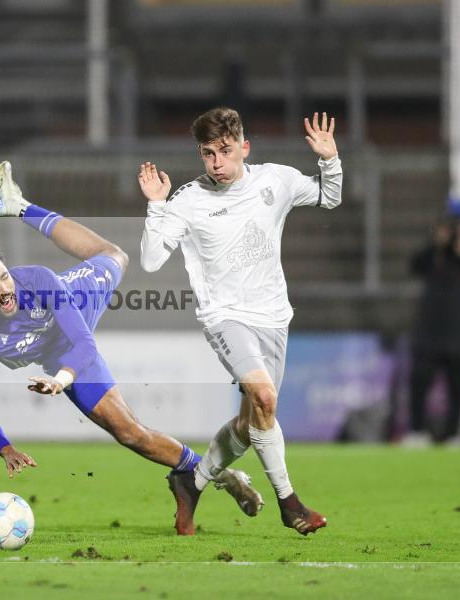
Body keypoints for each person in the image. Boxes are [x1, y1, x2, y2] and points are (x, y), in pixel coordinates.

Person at [0, 161, 263, 535]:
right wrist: (6, 449)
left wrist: (62, 379)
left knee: (115, 253)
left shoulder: (37, 280)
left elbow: (83, 341)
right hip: (55, 354)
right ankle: (219, 475)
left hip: (75, 309)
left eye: (4, 276)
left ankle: (19, 206)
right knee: (130, 433)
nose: (5, 288)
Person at [138, 107, 342, 536]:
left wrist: (329, 159)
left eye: (225, 151)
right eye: (208, 153)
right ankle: (290, 504)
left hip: (274, 317)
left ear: (244, 148)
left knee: (251, 425)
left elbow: (329, 197)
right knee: (265, 398)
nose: (216, 163)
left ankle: (190, 482)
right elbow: (151, 261)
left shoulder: (276, 181)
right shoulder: (189, 200)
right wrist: (156, 207)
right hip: (224, 317)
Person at [404, 215, 460, 447]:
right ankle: (417, 431)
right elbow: (415, 265)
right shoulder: (437, 254)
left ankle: (454, 434)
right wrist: (437, 245)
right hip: (430, 335)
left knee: (457, 388)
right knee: (419, 382)